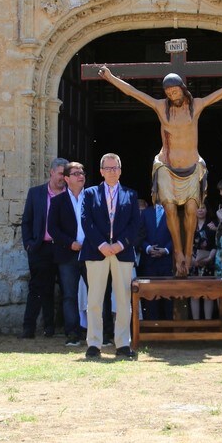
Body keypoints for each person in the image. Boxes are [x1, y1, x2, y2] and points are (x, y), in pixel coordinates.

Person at [98, 62, 222, 277]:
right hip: (167, 166)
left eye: (175, 90)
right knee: (168, 207)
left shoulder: (196, 106)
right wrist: (110, 77)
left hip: (192, 167)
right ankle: (178, 253)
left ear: (183, 89)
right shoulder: (161, 107)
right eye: (168, 92)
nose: (172, 94)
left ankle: (187, 253)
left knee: (192, 210)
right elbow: (134, 92)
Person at [80, 153, 141, 360]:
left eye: (115, 168)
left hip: (122, 253)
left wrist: (120, 244)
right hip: (97, 252)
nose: (112, 171)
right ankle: (94, 344)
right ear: (101, 171)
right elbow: (86, 220)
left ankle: (123, 344)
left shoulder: (131, 195)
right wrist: (102, 244)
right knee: (95, 299)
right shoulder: (90, 194)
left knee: (123, 300)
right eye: (108, 168)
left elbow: (135, 224)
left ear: (120, 170)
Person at [47, 161, 97, 347]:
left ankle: (98, 333)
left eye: (82, 172)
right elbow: (52, 228)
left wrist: (91, 243)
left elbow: (99, 223)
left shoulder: (92, 197)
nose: (81, 175)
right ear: (66, 178)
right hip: (67, 255)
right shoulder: (58, 201)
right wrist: (70, 244)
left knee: (96, 293)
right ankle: (73, 334)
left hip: (91, 253)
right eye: (75, 173)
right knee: (69, 295)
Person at [20, 157, 67, 339]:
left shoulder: (69, 195)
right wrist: (29, 244)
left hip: (63, 248)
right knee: (38, 289)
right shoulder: (36, 193)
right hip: (41, 248)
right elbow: (27, 221)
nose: (64, 177)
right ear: (52, 172)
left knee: (67, 289)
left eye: (66, 174)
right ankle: (29, 328)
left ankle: (60, 327)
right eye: (61, 173)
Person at [138, 197, 174, 320]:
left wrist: (166, 250)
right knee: (150, 297)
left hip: (166, 262)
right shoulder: (146, 213)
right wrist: (147, 248)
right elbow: (139, 234)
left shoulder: (172, 211)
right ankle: (151, 329)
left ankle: (168, 328)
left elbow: (176, 235)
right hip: (149, 262)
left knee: (167, 296)